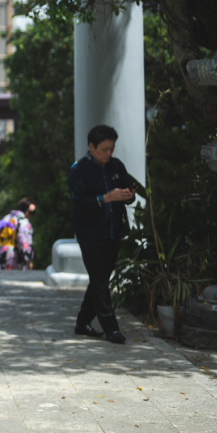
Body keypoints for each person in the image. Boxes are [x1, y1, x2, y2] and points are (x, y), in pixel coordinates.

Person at [68, 125, 134, 344]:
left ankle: (82, 322)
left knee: (100, 279)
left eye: (112, 149)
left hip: (114, 231)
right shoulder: (78, 169)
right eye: (104, 149)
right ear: (91, 146)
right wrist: (105, 198)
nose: (109, 154)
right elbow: (79, 204)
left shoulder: (116, 165)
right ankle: (111, 329)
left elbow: (128, 192)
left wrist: (128, 194)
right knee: (100, 280)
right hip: (90, 232)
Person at [0, 199, 35, 270]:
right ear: (27, 212)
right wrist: (29, 261)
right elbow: (25, 243)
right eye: (31, 213)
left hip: (0, 256)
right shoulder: (23, 222)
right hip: (14, 257)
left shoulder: (6, 218)